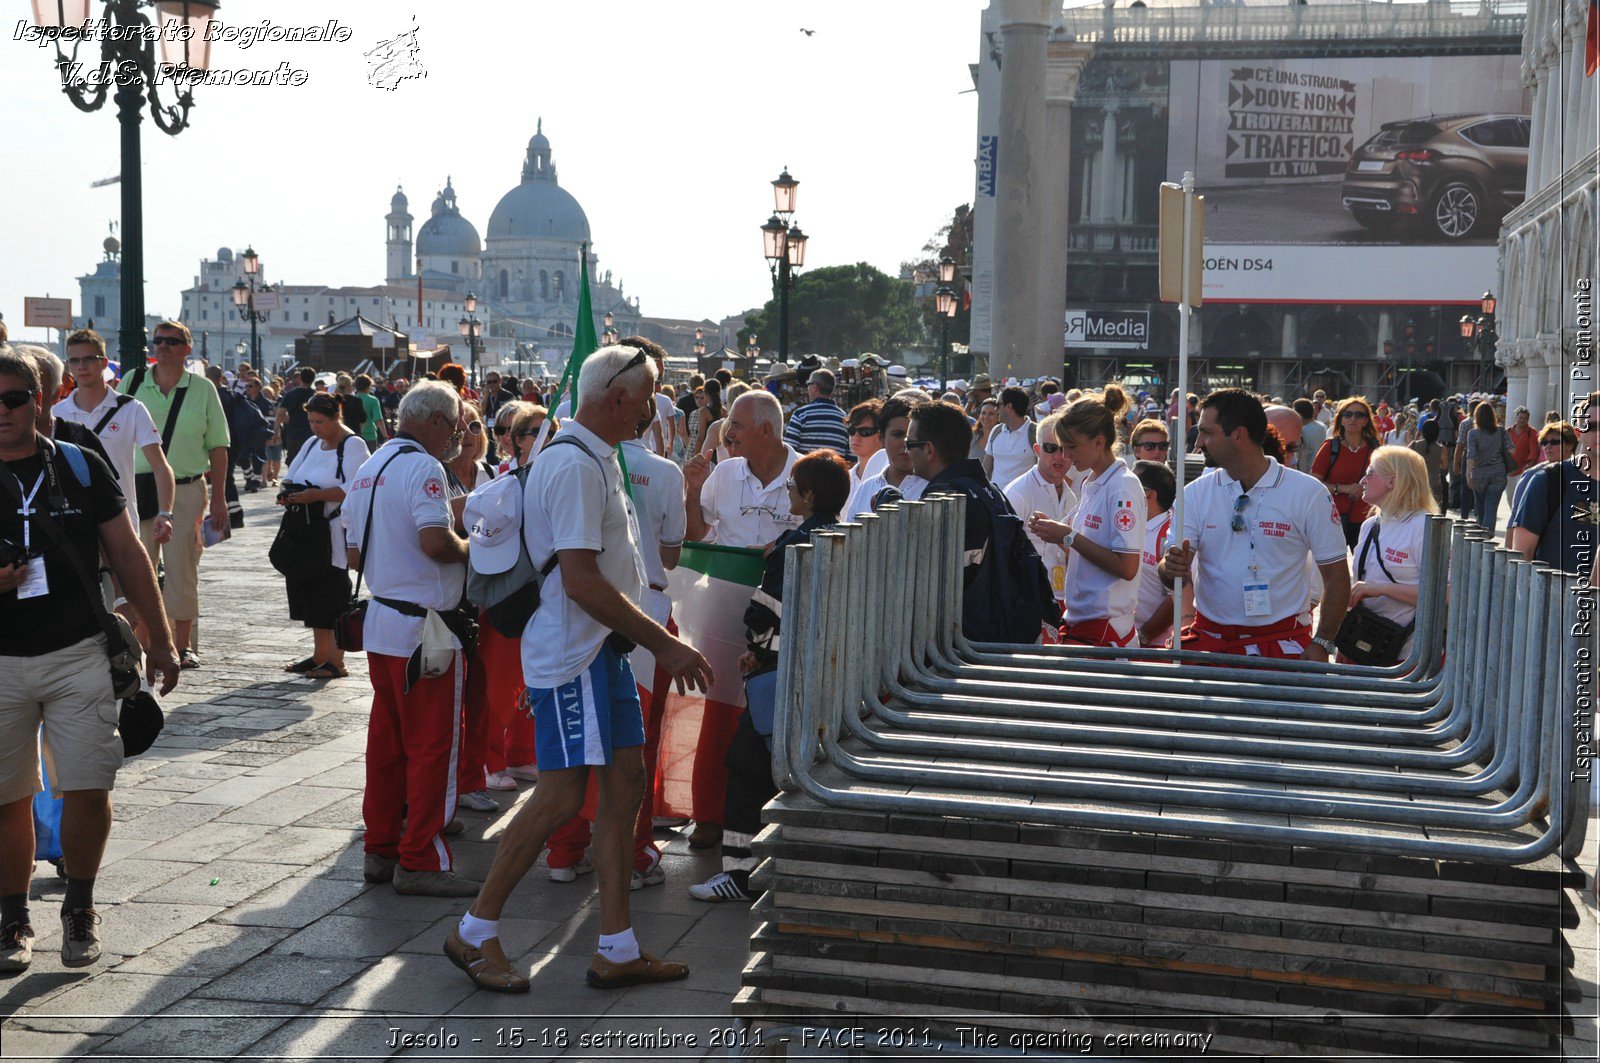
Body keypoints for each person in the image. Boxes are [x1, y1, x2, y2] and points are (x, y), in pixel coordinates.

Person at [446, 345, 714, 993]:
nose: (654, 410)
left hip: (603, 652)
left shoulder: (597, 455)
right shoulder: (573, 462)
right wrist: (666, 643)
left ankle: (616, 945)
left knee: (625, 785)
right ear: (617, 397)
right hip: (575, 654)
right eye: (648, 396)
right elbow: (581, 578)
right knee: (563, 793)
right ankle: (475, 929)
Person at [0, 347, 180, 973]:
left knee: (87, 784)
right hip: (0, 661)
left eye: (14, 399)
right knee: (7, 796)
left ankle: (78, 904)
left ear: (41, 400)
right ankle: (12, 916)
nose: (2, 412)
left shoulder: (78, 465)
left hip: (78, 650)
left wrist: (159, 636)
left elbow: (128, 553)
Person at [690, 451, 850, 904]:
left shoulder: (794, 545)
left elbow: (762, 612)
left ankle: (739, 875)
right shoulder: (847, 537)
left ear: (811, 495)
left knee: (745, 766)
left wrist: (755, 652)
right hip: (830, 674)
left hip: (782, 677)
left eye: (793, 487)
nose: (788, 492)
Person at [342, 380, 479, 898]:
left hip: (382, 623)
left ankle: (381, 846)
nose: (458, 438)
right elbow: (434, 541)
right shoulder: (424, 467)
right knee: (431, 747)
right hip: (427, 630)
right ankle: (420, 856)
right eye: (458, 425)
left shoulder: (368, 467)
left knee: (388, 744)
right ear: (436, 422)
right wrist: (475, 550)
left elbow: (354, 555)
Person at [1159, 389, 1351, 661]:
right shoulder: (1194, 493)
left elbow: (1337, 577)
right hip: (1211, 646)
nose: (1199, 442)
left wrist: (1322, 642)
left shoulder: (1308, 493)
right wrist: (1171, 566)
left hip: (1282, 646)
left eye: (1207, 432)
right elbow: (1170, 568)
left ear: (1238, 435)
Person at [118, 322, 231, 668]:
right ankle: (143, 642)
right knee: (138, 567)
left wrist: (220, 497)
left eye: (172, 341)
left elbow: (219, 445)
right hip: (137, 489)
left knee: (183, 567)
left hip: (186, 488)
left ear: (187, 347)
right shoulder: (133, 382)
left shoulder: (203, 389)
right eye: (159, 340)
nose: (163, 346)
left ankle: (182, 646)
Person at [906, 400, 1058, 643]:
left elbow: (928, 585)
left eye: (909, 444)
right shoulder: (989, 489)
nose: (906, 452)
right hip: (1001, 638)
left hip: (967, 651)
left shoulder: (944, 498)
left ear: (929, 450)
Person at [1025, 388, 1145, 647]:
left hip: (1104, 629)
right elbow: (1084, 551)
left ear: (1099, 443)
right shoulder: (1094, 481)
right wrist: (1056, 533)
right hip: (1085, 622)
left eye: (1071, 448)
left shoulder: (1122, 485)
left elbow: (1127, 567)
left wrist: (1067, 536)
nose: (1066, 457)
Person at [53, 329, 175, 545]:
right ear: (68, 365)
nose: (82, 366)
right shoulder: (56, 413)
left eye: (89, 359)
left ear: (104, 363)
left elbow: (161, 466)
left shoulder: (132, 409)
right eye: (75, 360)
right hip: (73, 525)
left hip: (122, 521)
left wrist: (165, 513)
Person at [277, 393, 368, 680]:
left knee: (333, 591)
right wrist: (288, 493)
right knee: (312, 591)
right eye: (311, 421)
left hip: (334, 531)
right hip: (307, 530)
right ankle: (319, 655)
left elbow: (357, 487)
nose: (315, 427)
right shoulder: (311, 443)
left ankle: (336, 661)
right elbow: (291, 474)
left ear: (335, 418)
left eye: (320, 422)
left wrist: (317, 495)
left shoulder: (353, 445)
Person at [1347, 445, 1439, 663]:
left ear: (1393, 481)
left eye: (1370, 474)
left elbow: (1443, 594)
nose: (1362, 481)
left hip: (1408, 654)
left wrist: (1379, 589)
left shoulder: (1423, 526)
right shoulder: (1370, 525)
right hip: (1363, 643)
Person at [685, 391, 801, 549]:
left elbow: (826, 537)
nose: (728, 433)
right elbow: (693, 535)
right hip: (726, 574)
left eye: (737, 425)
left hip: (784, 574)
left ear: (765, 430)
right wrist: (693, 490)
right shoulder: (724, 472)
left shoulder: (809, 474)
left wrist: (785, 546)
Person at [1509, 394, 1599, 575]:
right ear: (1578, 433)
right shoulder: (1547, 480)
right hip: (1554, 599)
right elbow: (1520, 556)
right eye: (1593, 426)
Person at [1004, 409, 1078, 623]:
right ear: (1037, 450)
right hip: (1030, 600)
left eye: (1065, 449)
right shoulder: (1018, 492)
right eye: (1050, 448)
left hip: (1064, 600)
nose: (1059, 456)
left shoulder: (1071, 496)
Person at [1131, 460, 1192, 648]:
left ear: (1148, 495)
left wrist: (1144, 635)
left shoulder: (1170, 535)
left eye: (1132, 485)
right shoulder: (1132, 525)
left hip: (1154, 647)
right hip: (1128, 641)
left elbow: (1177, 597)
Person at [1310, 396, 1379, 550]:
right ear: (1341, 420)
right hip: (1333, 519)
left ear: (1366, 421)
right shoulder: (1330, 447)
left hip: (1367, 520)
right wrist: (1344, 488)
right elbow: (1314, 483)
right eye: (1347, 414)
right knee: (1332, 571)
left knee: (1366, 570)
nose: (1353, 418)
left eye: (1359, 415)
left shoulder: (1375, 448)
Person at [845, 394, 928, 518]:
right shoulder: (866, 488)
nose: (906, 443)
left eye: (912, 436)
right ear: (881, 438)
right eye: (898, 434)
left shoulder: (930, 490)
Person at [1460, 399, 1513, 534]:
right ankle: (1487, 533)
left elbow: (1471, 455)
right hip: (1498, 473)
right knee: (1492, 506)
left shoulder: (1472, 433)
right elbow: (1513, 450)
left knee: (1480, 504)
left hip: (1479, 474)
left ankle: (1480, 533)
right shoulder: (1501, 431)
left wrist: (1467, 474)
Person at [783, 369, 850, 458]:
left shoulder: (801, 414)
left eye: (808, 384)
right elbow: (851, 456)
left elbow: (788, 451)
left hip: (805, 471)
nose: (807, 388)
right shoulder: (844, 418)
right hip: (835, 471)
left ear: (814, 387)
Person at [982, 386, 1036, 487]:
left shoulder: (1036, 433)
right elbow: (985, 468)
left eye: (998, 405)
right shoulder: (996, 431)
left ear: (1008, 407)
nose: (995, 409)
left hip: (1025, 501)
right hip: (997, 500)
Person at [275, 367, 317, 462]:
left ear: (301, 378)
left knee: (294, 462)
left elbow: (280, 414)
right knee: (310, 461)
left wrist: (276, 431)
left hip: (294, 433)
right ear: (313, 379)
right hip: (312, 433)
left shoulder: (291, 394)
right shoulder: (316, 395)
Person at [1408, 417, 1449, 509]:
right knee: (1432, 511)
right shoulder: (1442, 449)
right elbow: (1444, 467)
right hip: (1433, 484)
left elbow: (1404, 460)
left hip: (1415, 483)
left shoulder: (1414, 445)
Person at [846, 399, 888, 485]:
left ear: (881, 435)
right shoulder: (844, 479)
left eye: (865, 431)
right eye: (852, 430)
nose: (856, 437)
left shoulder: (888, 478)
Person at [353, 374, 388, 450]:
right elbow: (378, 420)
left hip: (354, 436)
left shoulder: (351, 399)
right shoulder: (373, 400)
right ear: (369, 386)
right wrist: (385, 436)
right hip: (370, 436)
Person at [1293, 398, 1326, 476]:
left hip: (1306, 474)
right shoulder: (1322, 427)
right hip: (1321, 472)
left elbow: (1301, 457)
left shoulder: (1302, 431)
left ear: (1299, 415)